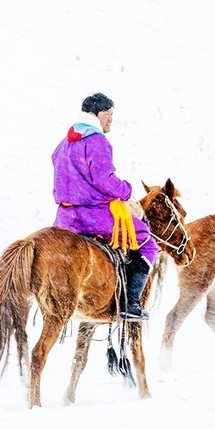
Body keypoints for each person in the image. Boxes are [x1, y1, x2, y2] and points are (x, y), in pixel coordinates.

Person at [52, 92, 159, 321]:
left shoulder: (64, 143)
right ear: (96, 114)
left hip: (65, 218)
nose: (111, 119)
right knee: (147, 241)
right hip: (93, 216)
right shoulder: (97, 141)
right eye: (108, 114)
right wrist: (126, 190)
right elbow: (103, 180)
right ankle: (130, 304)